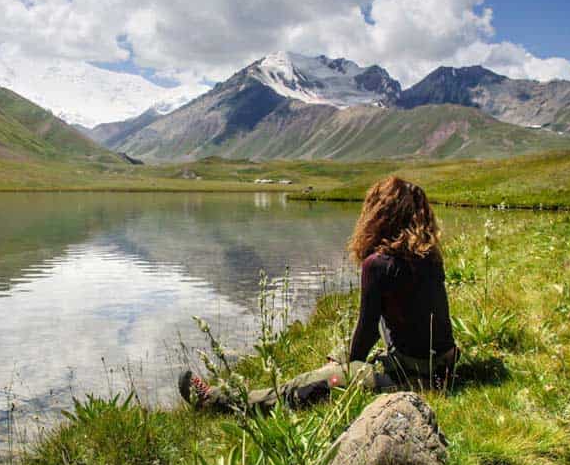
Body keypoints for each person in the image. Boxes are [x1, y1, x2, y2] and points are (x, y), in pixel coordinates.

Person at [179, 176, 458, 413]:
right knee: (341, 352)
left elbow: (368, 332)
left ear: (380, 215)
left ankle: (217, 400)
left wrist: (347, 368)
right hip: (444, 366)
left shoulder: (378, 265)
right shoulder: (428, 255)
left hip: (416, 377)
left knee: (309, 383)